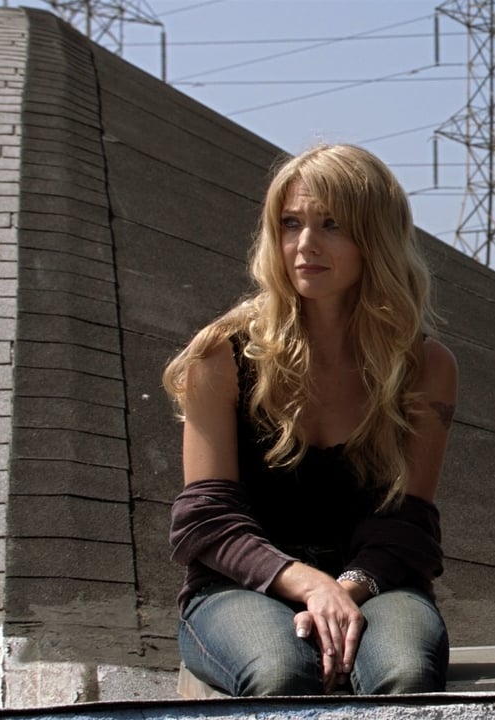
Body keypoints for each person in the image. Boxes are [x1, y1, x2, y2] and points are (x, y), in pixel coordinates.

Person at [165, 143, 456, 695]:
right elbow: (206, 521)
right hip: (238, 587)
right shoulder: (221, 354)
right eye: (290, 223)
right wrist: (309, 585)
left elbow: (408, 522)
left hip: (375, 585)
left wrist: (344, 589)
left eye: (332, 225)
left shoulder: (424, 366)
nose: (305, 245)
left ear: (376, 237)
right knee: (282, 675)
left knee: (407, 674)